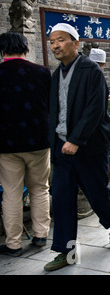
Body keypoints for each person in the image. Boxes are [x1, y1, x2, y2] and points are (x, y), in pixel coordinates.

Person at [44, 23, 110, 271]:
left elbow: (95, 110)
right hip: (61, 148)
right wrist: (55, 142)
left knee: (96, 192)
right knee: (62, 199)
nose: (55, 45)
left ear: (75, 43)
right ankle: (66, 252)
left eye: (61, 40)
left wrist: (76, 140)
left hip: (88, 147)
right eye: (52, 41)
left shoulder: (91, 71)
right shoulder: (56, 75)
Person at [0, 31, 51, 257]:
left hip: (6, 144)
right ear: (26, 49)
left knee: (11, 192)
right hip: (39, 140)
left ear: (2, 51)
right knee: (39, 187)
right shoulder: (42, 73)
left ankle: (13, 244)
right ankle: (41, 235)